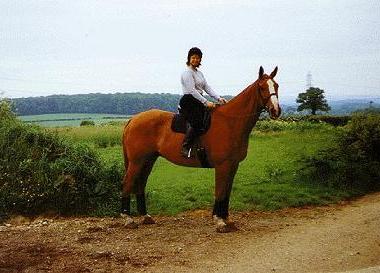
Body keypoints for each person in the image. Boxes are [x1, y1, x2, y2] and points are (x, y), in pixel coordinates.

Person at [179, 47, 227, 158]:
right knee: (197, 121)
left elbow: (206, 87)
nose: (195, 60)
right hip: (189, 100)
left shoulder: (199, 73)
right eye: (193, 57)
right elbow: (191, 90)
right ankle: (185, 147)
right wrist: (206, 102)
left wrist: (219, 98)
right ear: (189, 58)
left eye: (198, 58)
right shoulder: (187, 73)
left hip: (198, 99)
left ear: (200, 60)